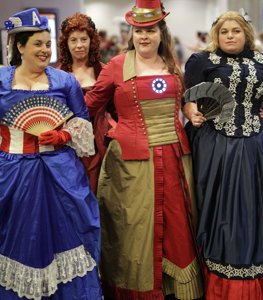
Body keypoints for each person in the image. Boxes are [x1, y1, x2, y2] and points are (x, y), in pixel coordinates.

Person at [85, 0, 203, 299]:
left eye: (150, 30)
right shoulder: (116, 66)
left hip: (175, 156)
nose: (144, 36)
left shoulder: (172, 65)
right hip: (131, 163)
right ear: (131, 33)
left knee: (176, 223)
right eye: (139, 31)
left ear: (161, 32)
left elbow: (183, 100)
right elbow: (90, 106)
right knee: (135, 227)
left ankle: (172, 285)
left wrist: (190, 111)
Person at [183, 9, 263, 300]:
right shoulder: (201, 61)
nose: (229, 36)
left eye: (235, 30)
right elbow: (186, 96)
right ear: (215, 35)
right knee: (215, 205)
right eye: (224, 31)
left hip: (251, 145)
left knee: (248, 204)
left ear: (246, 33)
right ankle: (215, 267)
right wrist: (193, 113)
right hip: (212, 143)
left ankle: (248, 267)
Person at [0, 8, 101, 299]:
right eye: (38, 44)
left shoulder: (64, 81)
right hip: (13, 171)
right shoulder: (2, 81)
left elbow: (81, 124)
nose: (45, 50)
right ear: (20, 47)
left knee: (71, 230)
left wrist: (63, 134)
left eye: (48, 44)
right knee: (18, 237)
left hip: (60, 171)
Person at [58, 12, 113, 194]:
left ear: (92, 41)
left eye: (84, 39)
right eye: (73, 40)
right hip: (68, 142)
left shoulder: (105, 71)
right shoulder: (57, 76)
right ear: (66, 44)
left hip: (102, 139)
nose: (79, 45)